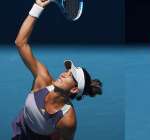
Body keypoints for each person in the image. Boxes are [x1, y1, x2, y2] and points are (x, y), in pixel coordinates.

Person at [12, 0, 102, 139]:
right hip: (21, 127)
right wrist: (38, 7)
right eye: (67, 71)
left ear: (73, 89)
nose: (64, 73)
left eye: (70, 75)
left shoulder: (68, 119)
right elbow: (20, 43)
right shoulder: (43, 79)